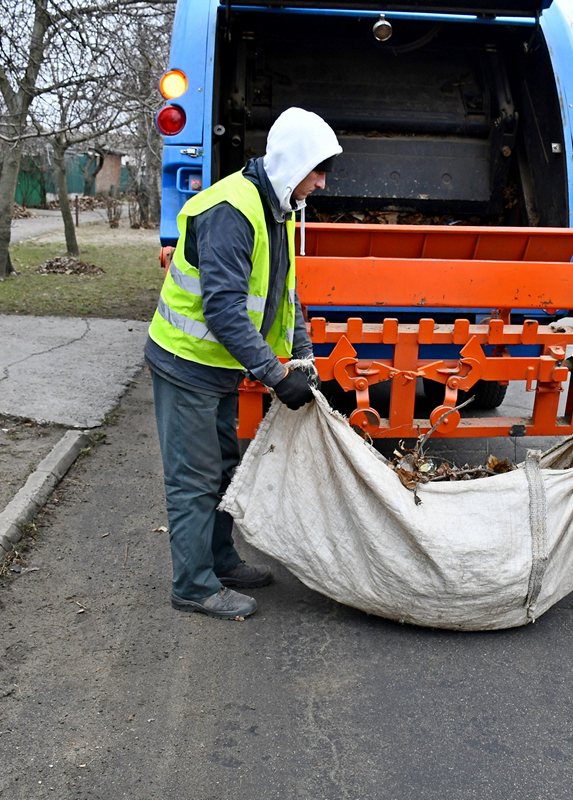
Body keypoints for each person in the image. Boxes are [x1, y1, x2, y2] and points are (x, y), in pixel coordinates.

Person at [145, 107, 342, 619]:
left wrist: (302, 357)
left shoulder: (277, 209)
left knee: (224, 467)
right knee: (194, 477)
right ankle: (192, 585)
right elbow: (224, 310)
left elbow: (287, 292)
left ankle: (220, 561)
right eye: (317, 170)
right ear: (294, 162)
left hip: (215, 367)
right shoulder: (234, 210)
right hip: (184, 362)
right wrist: (276, 378)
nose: (321, 183)